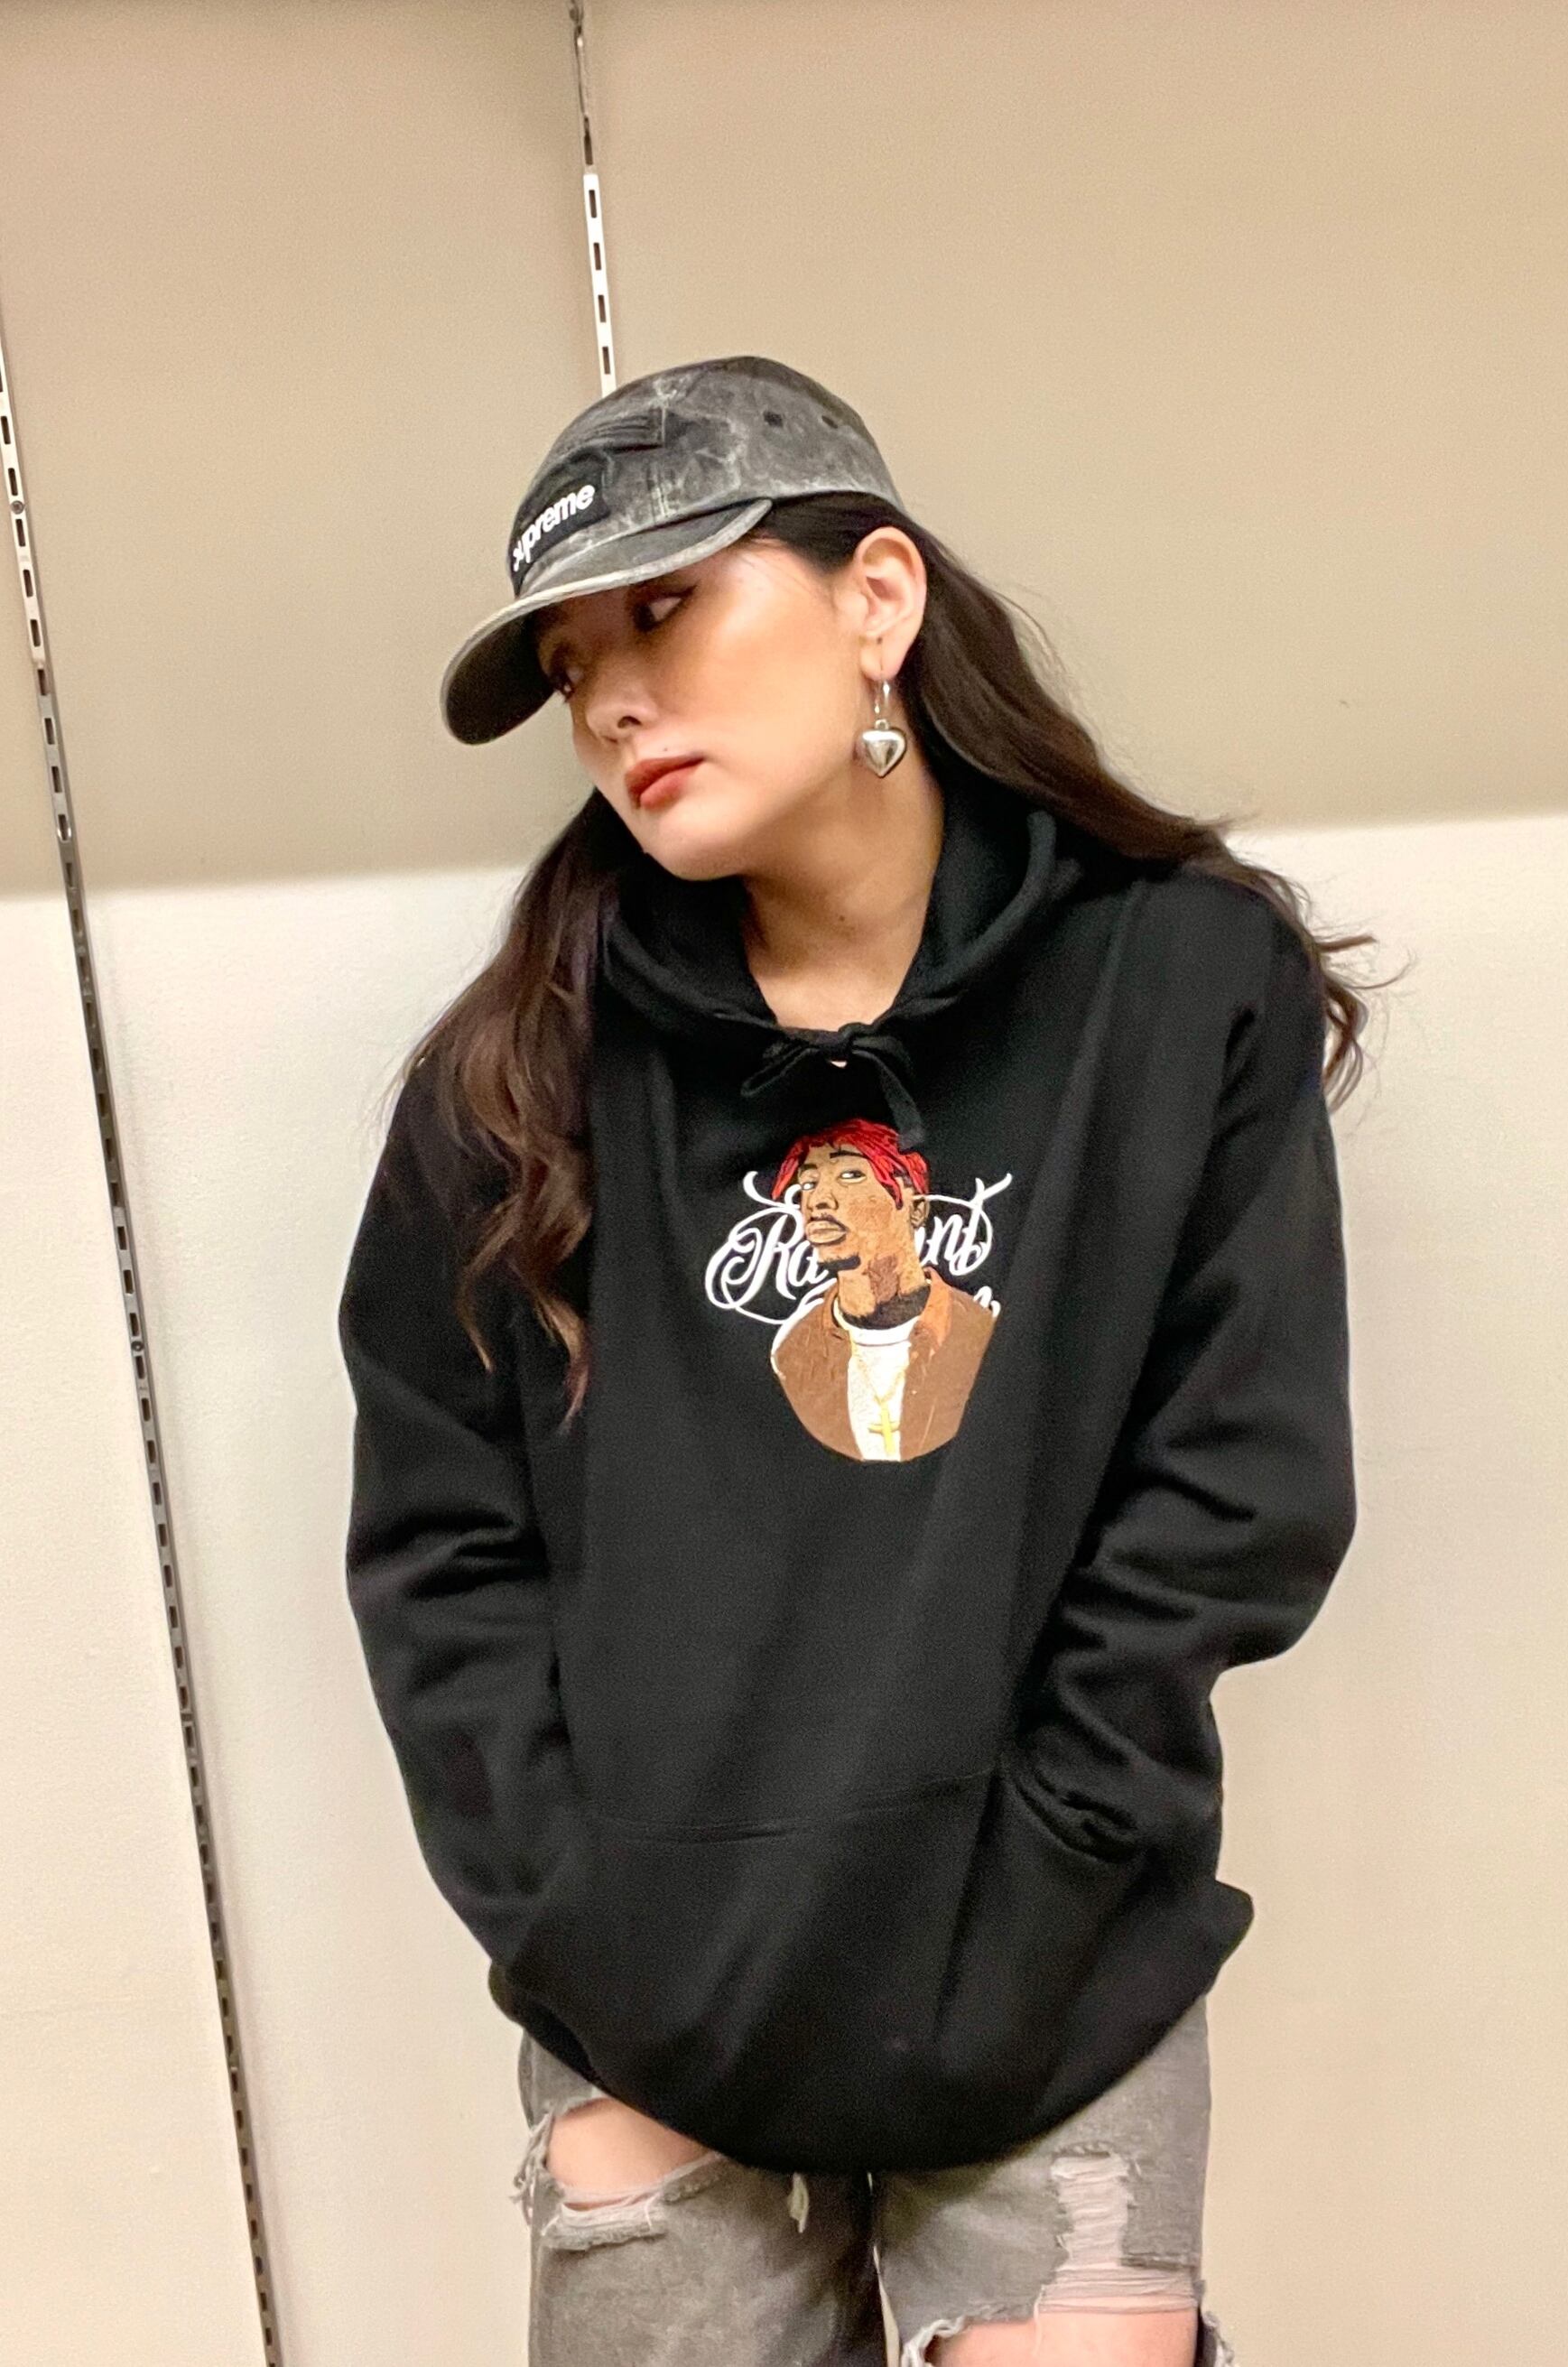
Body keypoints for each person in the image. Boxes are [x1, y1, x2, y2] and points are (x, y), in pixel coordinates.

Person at [337, 355, 1374, 2367]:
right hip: (660, 1996)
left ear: (877, 598)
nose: (613, 700)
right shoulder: (514, 1080)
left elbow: (1238, 1490)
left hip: (1054, 1977)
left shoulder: (1177, 983)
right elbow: (439, 1550)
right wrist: (587, 1921)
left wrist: (1061, 1854)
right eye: (571, 661)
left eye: (666, 607)